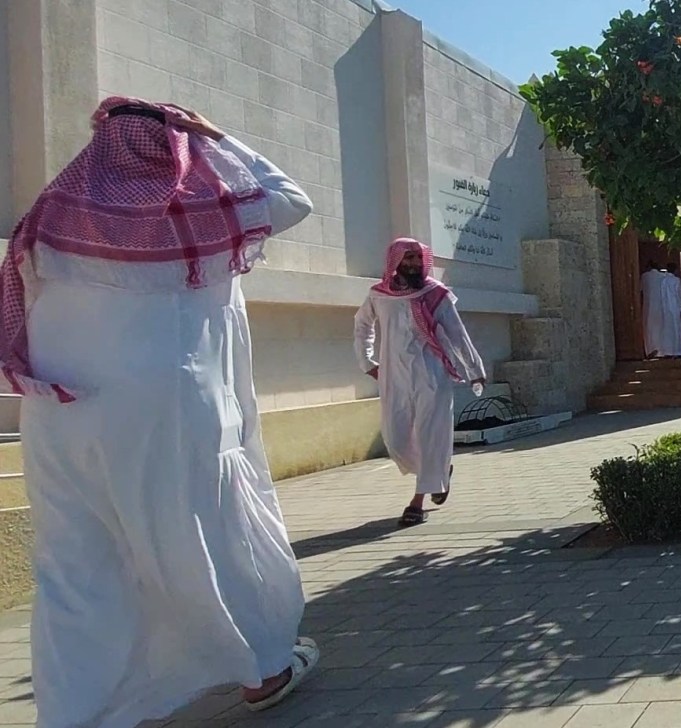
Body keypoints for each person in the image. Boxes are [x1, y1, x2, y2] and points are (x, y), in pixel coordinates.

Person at [2, 97, 317, 728]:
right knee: (205, 541)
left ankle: (73, 714)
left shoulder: (52, 215)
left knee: (74, 567)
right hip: (169, 417)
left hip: (59, 419)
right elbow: (292, 199)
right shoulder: (202, 214)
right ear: (183, 147)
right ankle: (264, 669)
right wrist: (216, 137)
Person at [355, 238, 487, 527]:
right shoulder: (378, 295)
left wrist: (474, 369)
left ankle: (417, 500)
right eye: (408, 258)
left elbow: (457, 334)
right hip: (394, 375)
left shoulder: (435, 293)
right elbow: (362, 325)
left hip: (432, 373)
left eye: (418, 257)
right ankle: (439, 471)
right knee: (396, 439)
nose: (414, 263)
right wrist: (367, 362)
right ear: (396, 261)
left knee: (430, 434)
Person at [640, 261, 669, 358]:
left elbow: (640, 290)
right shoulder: (663, 277)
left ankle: (650, 350)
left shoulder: (644, 276)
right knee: (660, 328)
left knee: (649, 329)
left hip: (648, 306)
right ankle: (661, 351)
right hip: (660, 306)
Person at [660, 261, 681, 358]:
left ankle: (668, 351)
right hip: (675, 307)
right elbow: (678, 295)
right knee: (677, 329)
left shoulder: (663, 281)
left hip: (666, 308)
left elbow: (662, 296)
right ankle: (678, 351)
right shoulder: (676, 281)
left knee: (668, 330)